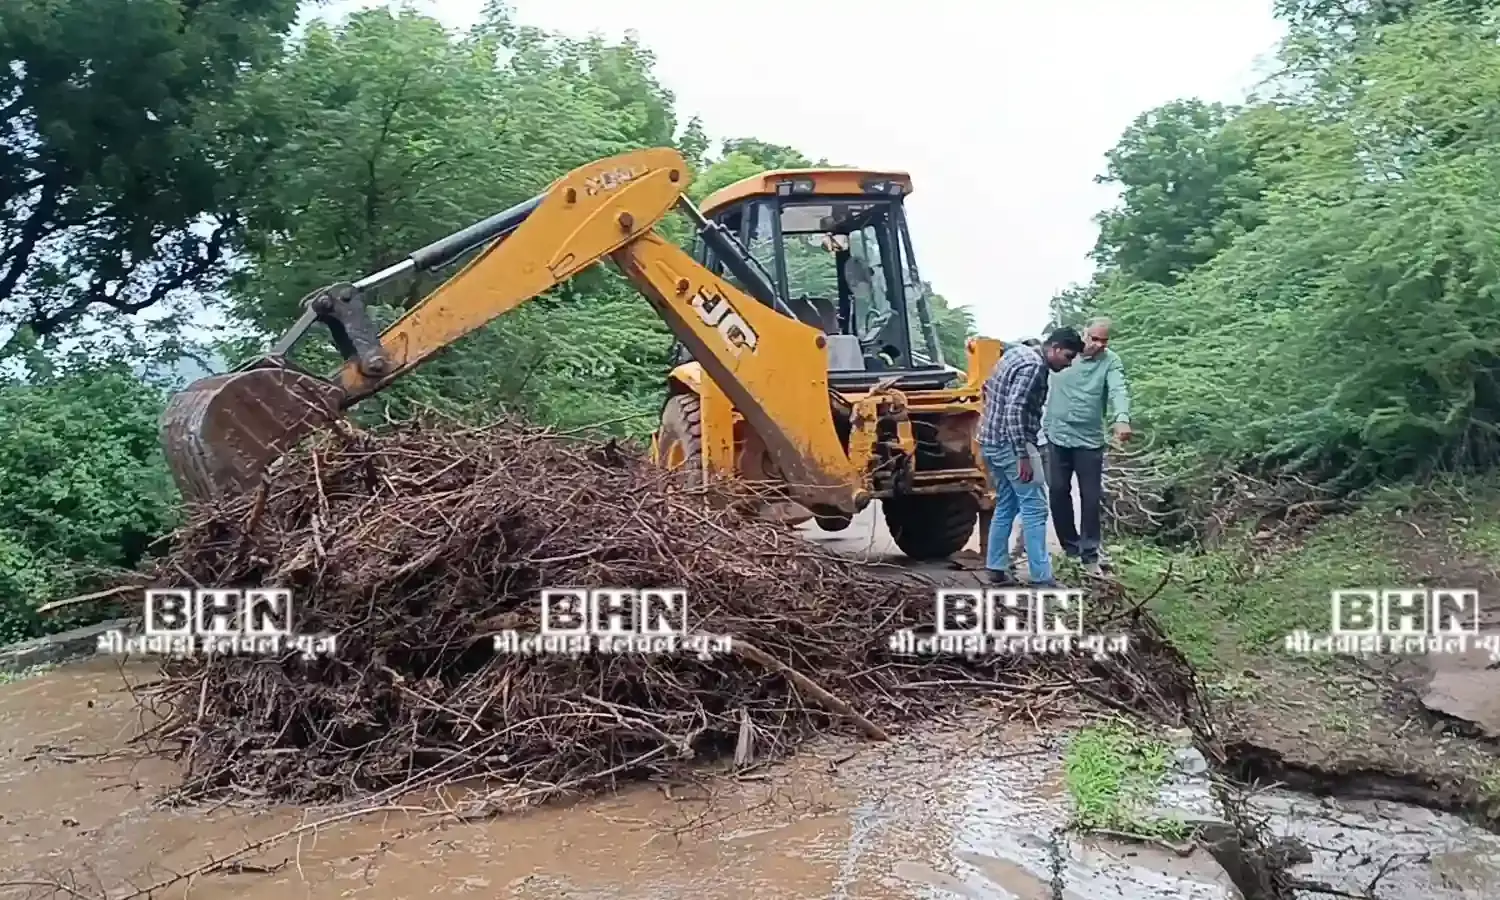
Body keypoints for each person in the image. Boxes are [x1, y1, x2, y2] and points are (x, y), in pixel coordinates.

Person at [979, 328, 1084, 586]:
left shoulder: (1017, 354)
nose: (1068, 363)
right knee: (1036, 508)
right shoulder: (1034, 366)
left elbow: (988, 390)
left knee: (1006, 504)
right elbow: (1015, 410)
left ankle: (996, 567)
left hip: (989, 441)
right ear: (1055, 348)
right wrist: (1022, 453)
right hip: (1011, 445)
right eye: (1068, 356)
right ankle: (1042, 578)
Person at [1042, 318, 1132, 577]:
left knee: (1091, 497)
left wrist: (1121, 419)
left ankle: (1090, 553)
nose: (1098, 345)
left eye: (1104, 340)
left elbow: (1118, 390)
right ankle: (1071, 549)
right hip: (1057, 435)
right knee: (1058, 491)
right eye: (1094, 338)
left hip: (1089, 440)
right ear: (1084, 334)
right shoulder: (1066, 356)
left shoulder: (1110, 361)